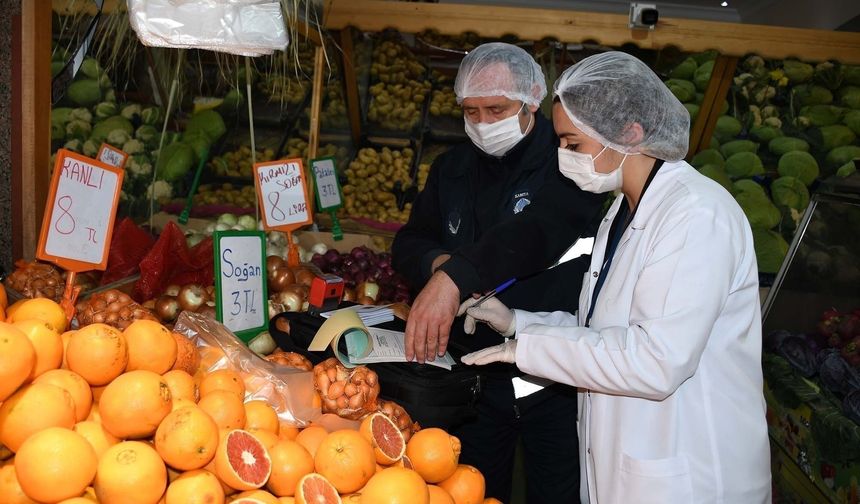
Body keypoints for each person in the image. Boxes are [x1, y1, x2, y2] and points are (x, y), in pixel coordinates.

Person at [460, 51, 772, 503]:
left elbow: (654, 360)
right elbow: (602, 335)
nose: (564, 157)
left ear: (629, 132)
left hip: (692, 475)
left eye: (573, 145)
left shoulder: (697, 214)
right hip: (628, 469)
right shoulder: (621, 213)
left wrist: (524, 350)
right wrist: (517, 322)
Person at [391, 42, 603, 502]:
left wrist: (455, 278)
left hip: (555, 373)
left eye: (496, 109)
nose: (484, 124)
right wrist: (437, 264)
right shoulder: (452, 167)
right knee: (474, 488)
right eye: (471, 112)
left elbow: (535, 233)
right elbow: (408, 243)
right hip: (472, 374)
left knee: (558, 491)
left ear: (531, 101)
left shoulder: (570, 158)